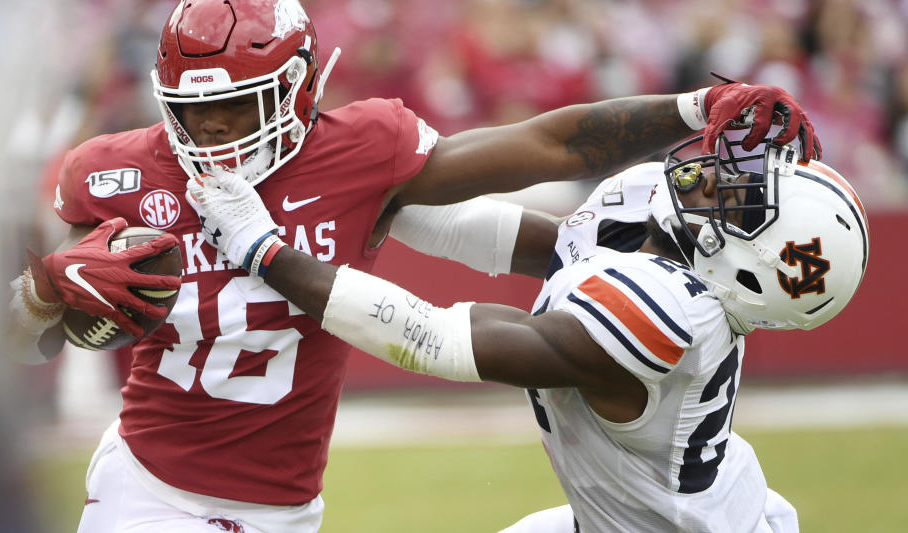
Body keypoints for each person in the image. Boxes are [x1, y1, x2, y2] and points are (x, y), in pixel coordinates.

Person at [6, 0, 820, 532]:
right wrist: (46, 291)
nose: (211, 134)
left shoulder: (358, 156)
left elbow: (540, 145)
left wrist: (692, 104)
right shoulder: (114, 172)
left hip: (287, 506)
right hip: (151, 491)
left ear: (295, 89)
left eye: (237, 109)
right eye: (192, 113)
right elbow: (22, 338)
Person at [185, 133, 868, 532]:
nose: (717, 181)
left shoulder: (672, 314)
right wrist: (368, 194)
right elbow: (516, 239)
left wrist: (264, 250)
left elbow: (441, 339)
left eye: (743, 204)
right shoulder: (666, 255)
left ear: (753, 270)